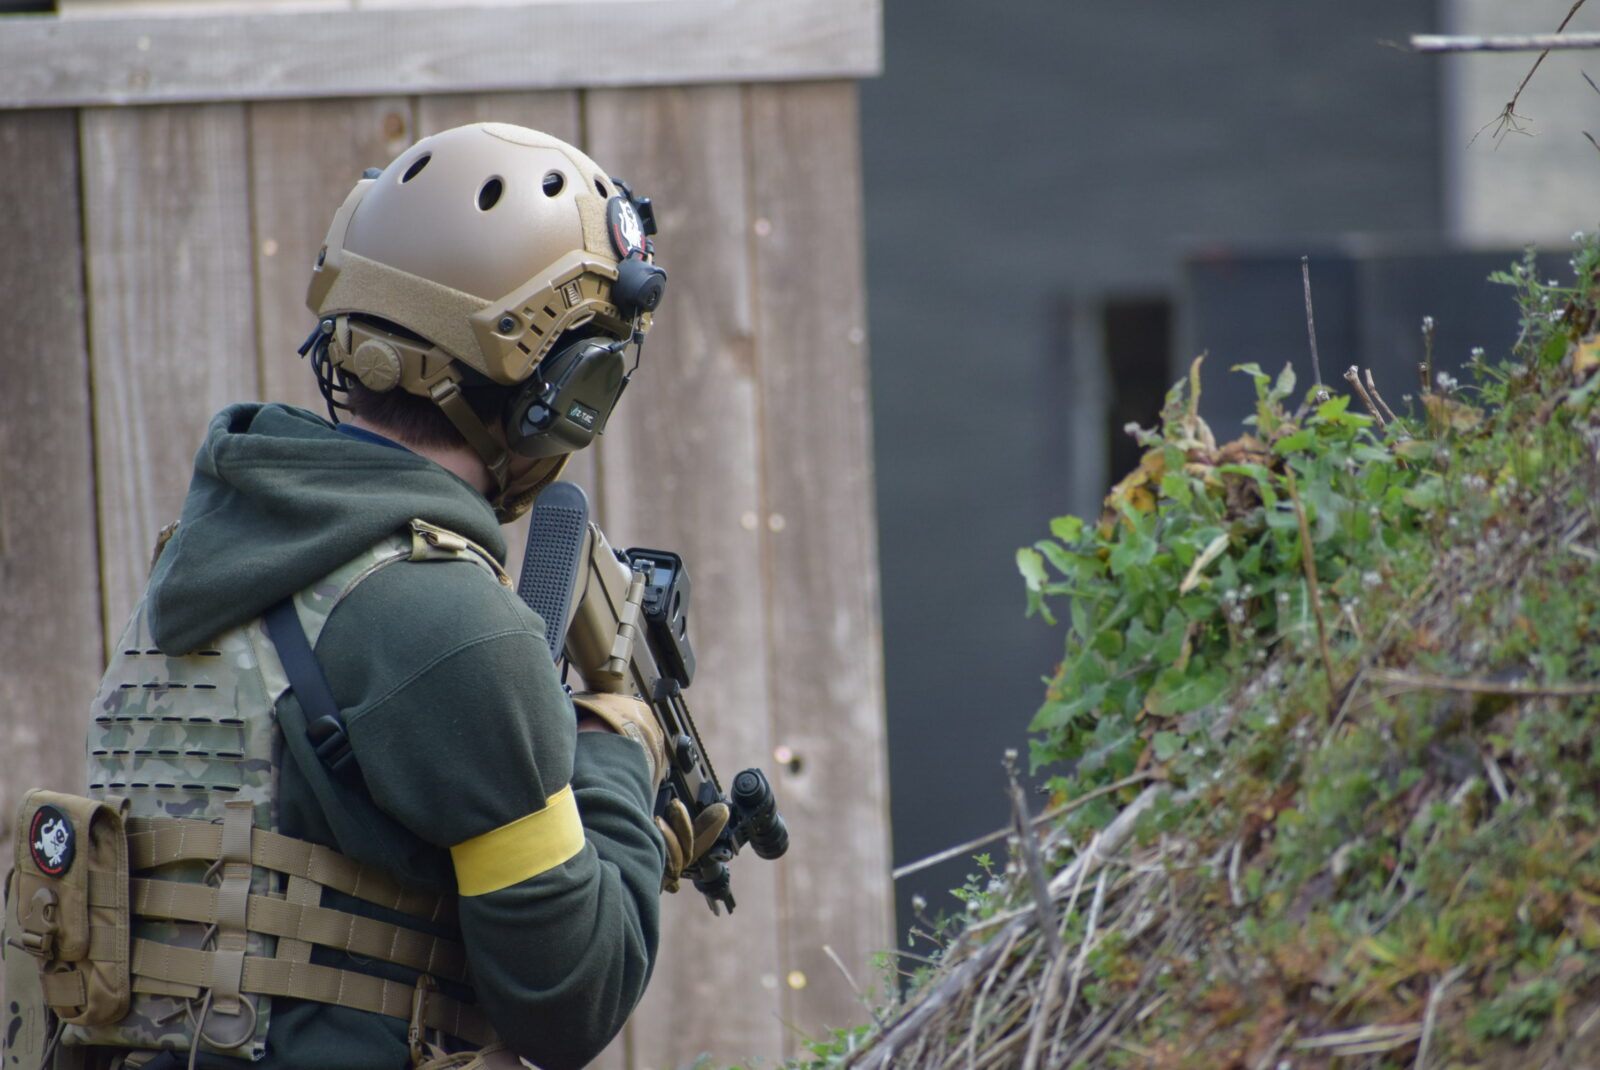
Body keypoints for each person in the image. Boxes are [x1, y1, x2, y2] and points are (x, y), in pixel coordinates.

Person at [2, 122, 699, 1070]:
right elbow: (572, 1000)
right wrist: (617, 750)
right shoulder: (455, 624)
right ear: (558, 387)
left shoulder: (207, 555)